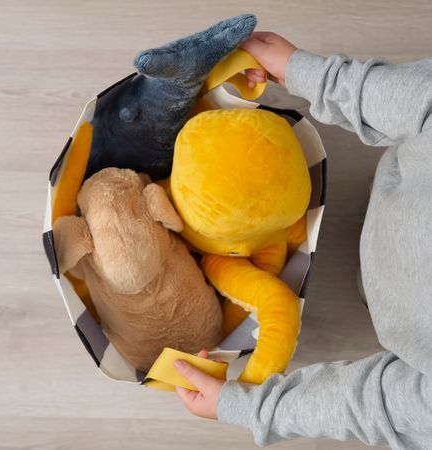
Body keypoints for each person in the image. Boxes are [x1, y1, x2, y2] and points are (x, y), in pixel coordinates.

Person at [173, 32, 432, 450]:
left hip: (401, 317)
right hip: (403, 189)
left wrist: (253, 408)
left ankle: (370, 286)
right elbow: (421, 100)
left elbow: (374, 405)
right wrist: (310, 74)